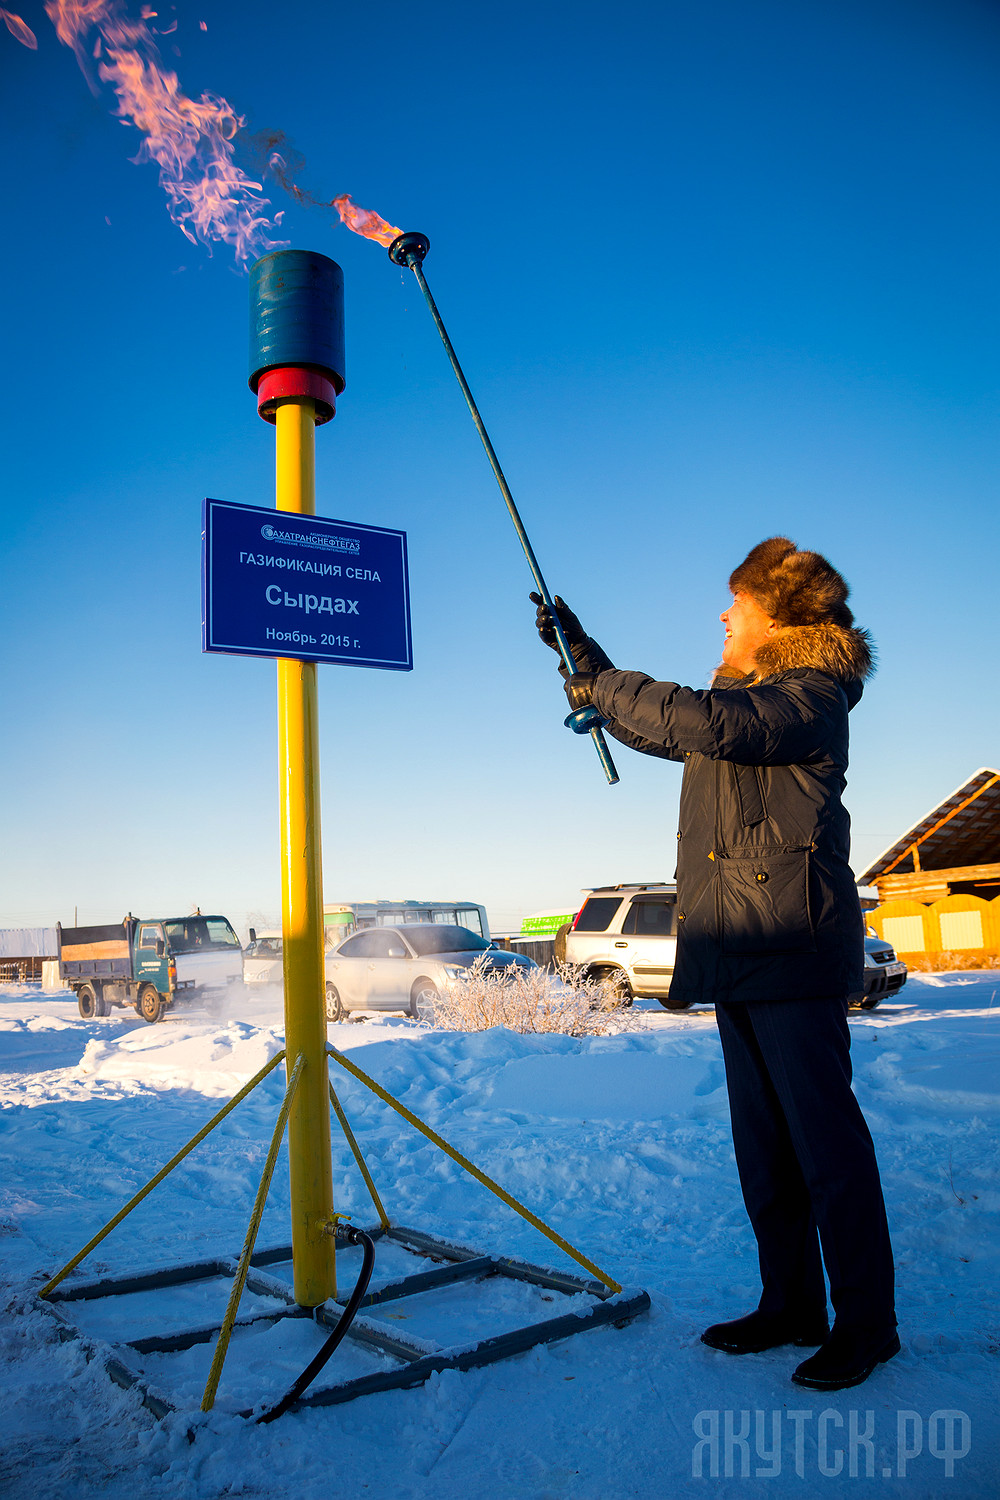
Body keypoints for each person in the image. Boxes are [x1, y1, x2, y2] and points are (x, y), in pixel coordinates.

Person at [532, 537, 898, 1391]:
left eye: (738, 602)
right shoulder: (749, 708)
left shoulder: (810, 696)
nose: (723, 613)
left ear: (779, 616)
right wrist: (582, 659)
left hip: (793, 950)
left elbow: (710, 722)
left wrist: (606, 688)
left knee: (827, 1151)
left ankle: (868, 1325)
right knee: (764, 1149)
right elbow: (671, 728)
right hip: (736, 947)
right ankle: (791, 1305)